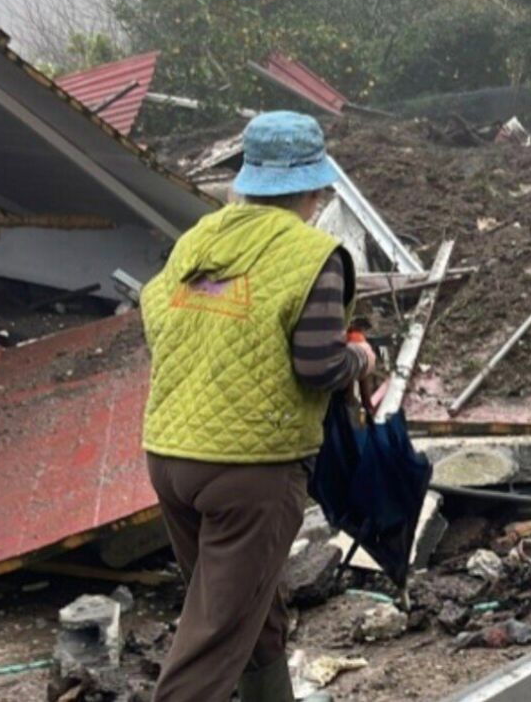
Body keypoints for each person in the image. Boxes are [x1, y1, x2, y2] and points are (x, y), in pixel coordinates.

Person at [140, 111, 376, 702]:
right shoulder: (313, 254)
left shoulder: (199, 239)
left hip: (169, 456)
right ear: (316, 189)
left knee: (249, 608)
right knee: (211, 642)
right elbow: (318, 366)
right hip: (250, 471)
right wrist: (361, 359)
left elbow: (155, 316)